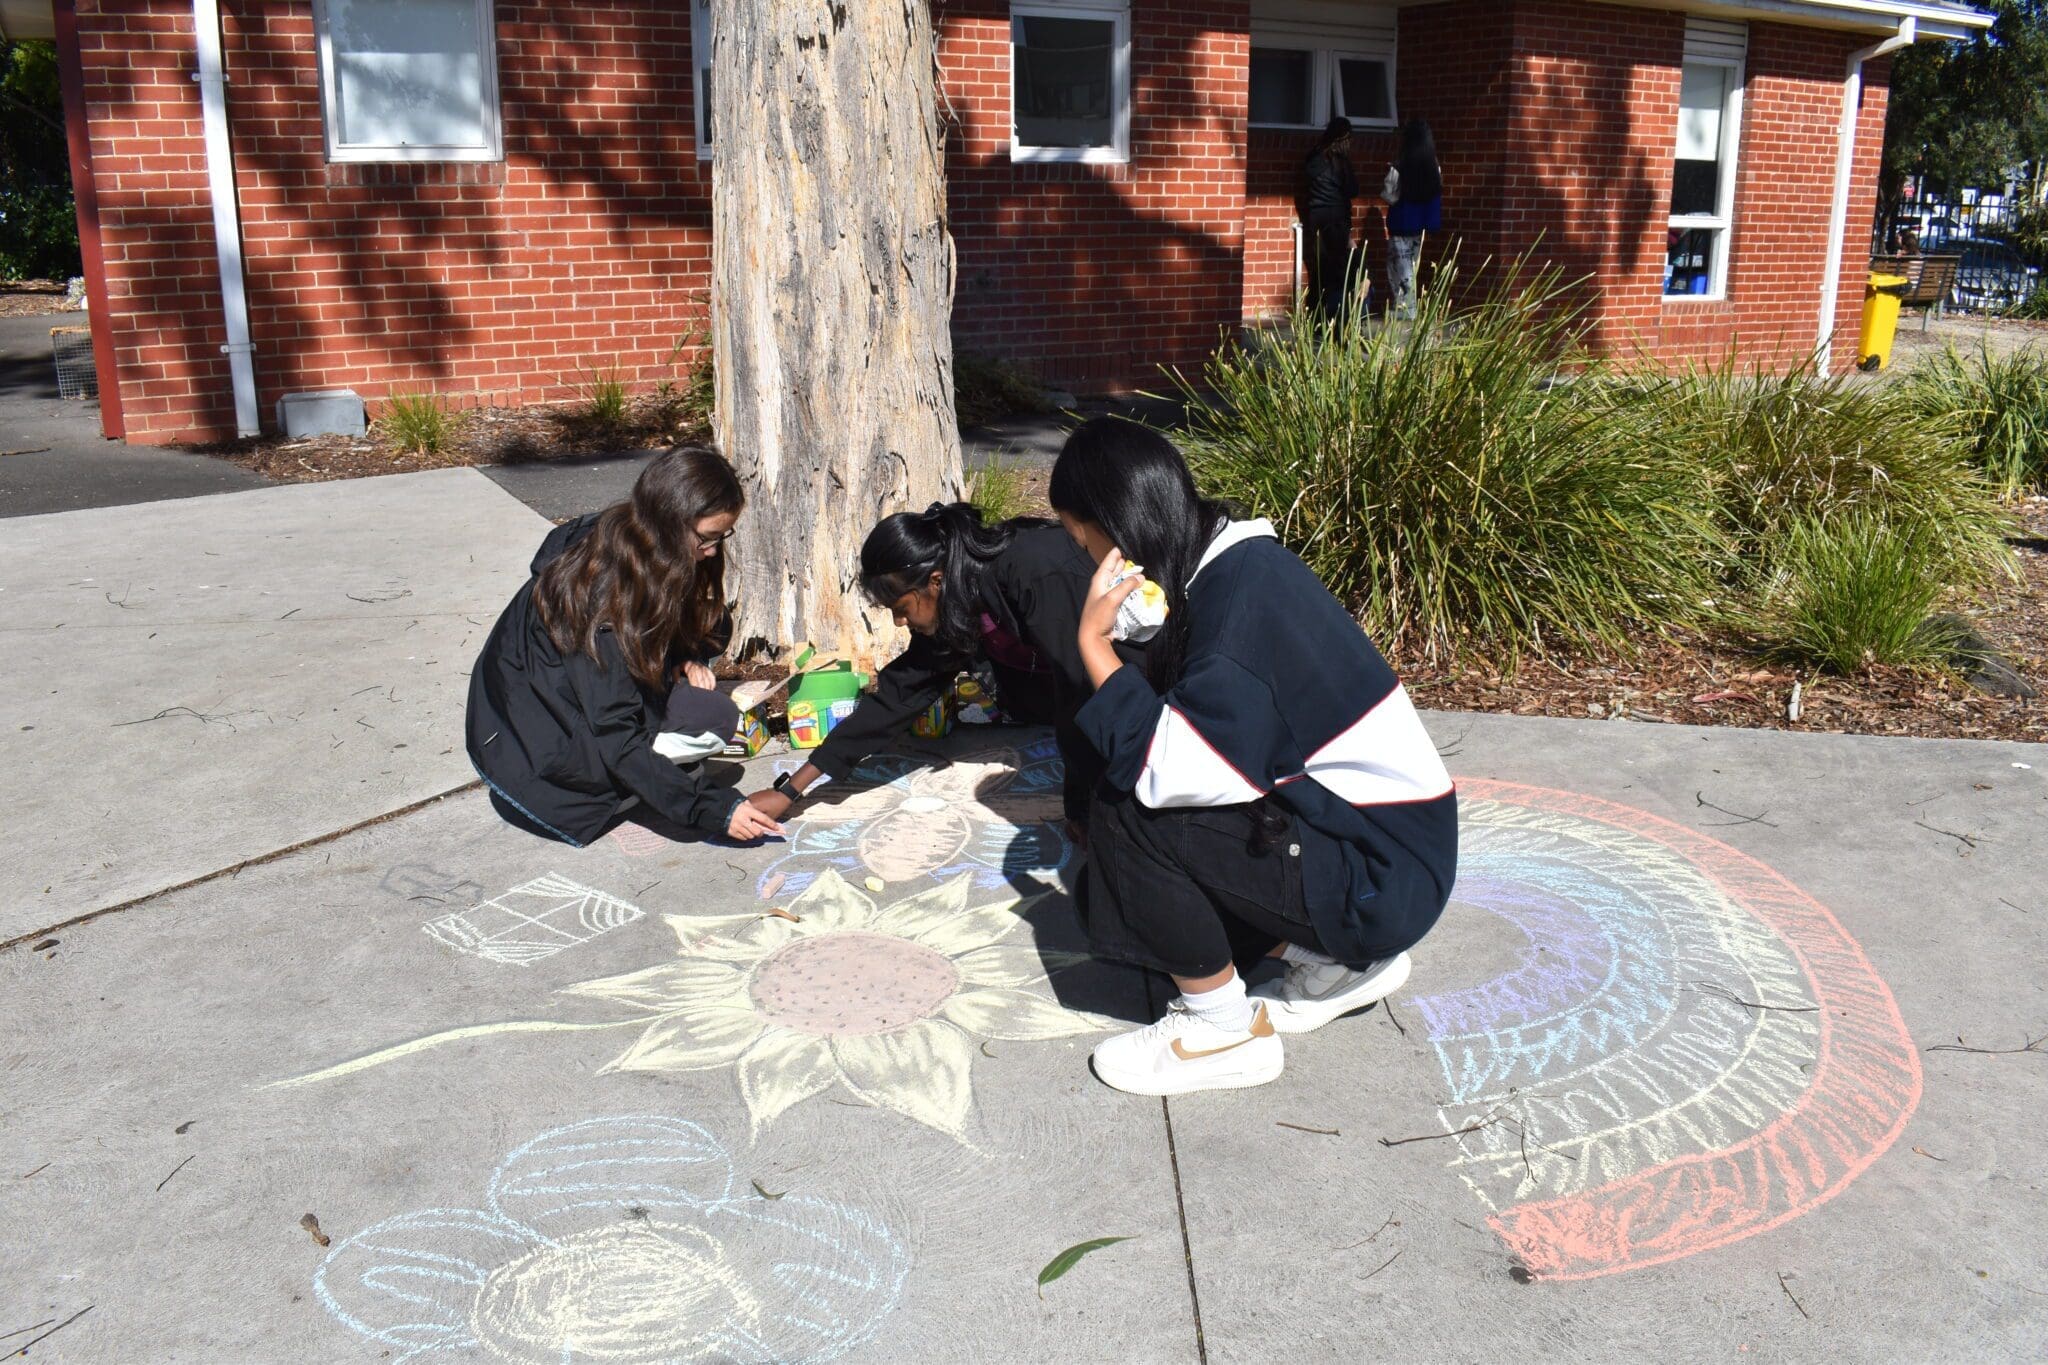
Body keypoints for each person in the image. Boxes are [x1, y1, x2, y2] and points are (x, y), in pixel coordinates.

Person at [1051, 417, 1458, 1097]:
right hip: (1389, 856)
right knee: (1109, 901)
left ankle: (1220, 1029)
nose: (1087, 564)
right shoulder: (1237, 568)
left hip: (1381, 878)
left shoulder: (1237, 607)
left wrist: (1094, 644)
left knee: (1128, 804)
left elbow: (1164, 769)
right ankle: (1342, 961)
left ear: (1117, 533)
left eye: (1082, 541)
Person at [745, 502, 1138, 828]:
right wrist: (790, 790)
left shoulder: (1033, 570)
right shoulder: (955, 597)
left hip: (1136, 677)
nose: (900, 622)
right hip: (1059, 693)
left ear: (934, 580)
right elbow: (898, 698)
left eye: (901, 609)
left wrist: (1083, 813)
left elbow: (1082, 689)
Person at [466, 446, 784, 847]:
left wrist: (685, 658)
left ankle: (642, 777)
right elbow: (616, 733)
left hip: (562, 711)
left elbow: (687, 631)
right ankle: (615, 788)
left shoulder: (627, 534)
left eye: (723, 536)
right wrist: (713, 808)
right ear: (670, 520)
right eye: (707, 538)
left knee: (713, 671)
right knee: (696, 728)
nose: (714, 551)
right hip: (538, 758)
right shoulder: (598, 601)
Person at [1300, 116, 1361, 325]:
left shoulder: (1313, 157)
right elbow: (1353, 190)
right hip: (1337, 221)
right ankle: (1333, 318)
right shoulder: (1341, 164)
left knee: (1319, 270)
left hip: (1316, 218)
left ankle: (1314, 319)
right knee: (1337, 273)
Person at [1381, 118, 1442, 320]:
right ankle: (1409, 306)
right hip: (1421, 223)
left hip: (1401, 221)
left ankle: (1406, 308)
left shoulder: (1400, 166)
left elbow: (1389, 196)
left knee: (1399, 266)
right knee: (1412, 265)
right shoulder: (1434, 167)